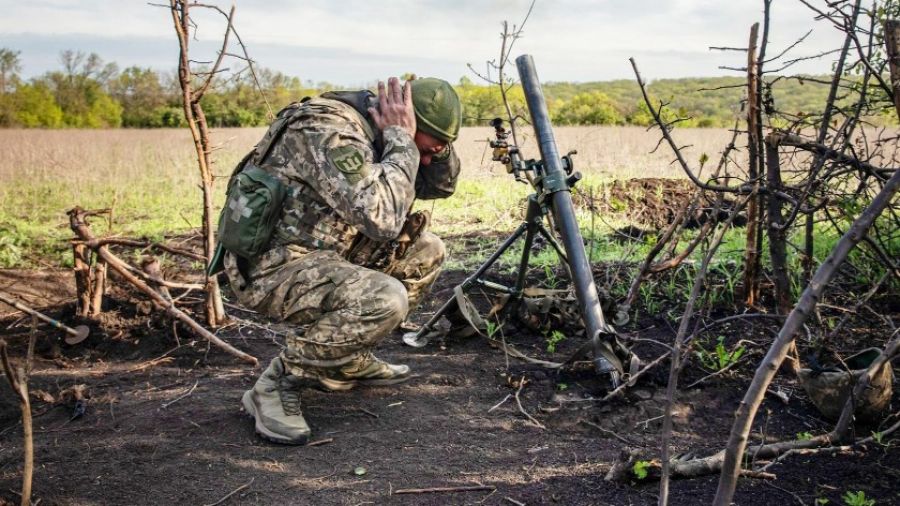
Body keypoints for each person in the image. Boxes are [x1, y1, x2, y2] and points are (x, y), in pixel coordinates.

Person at [221, 77, 462, 444]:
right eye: (424, 150)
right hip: (273, 266)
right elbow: (382, 218)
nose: (424, 160)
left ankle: (346, 357)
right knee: (384, 298)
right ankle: (276, 383)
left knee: (425, 251)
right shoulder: (327, 129)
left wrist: (432, 149)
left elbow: (439, 187)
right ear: (397, 122)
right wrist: (401, 138)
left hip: (326, 251)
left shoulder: (383, 132)